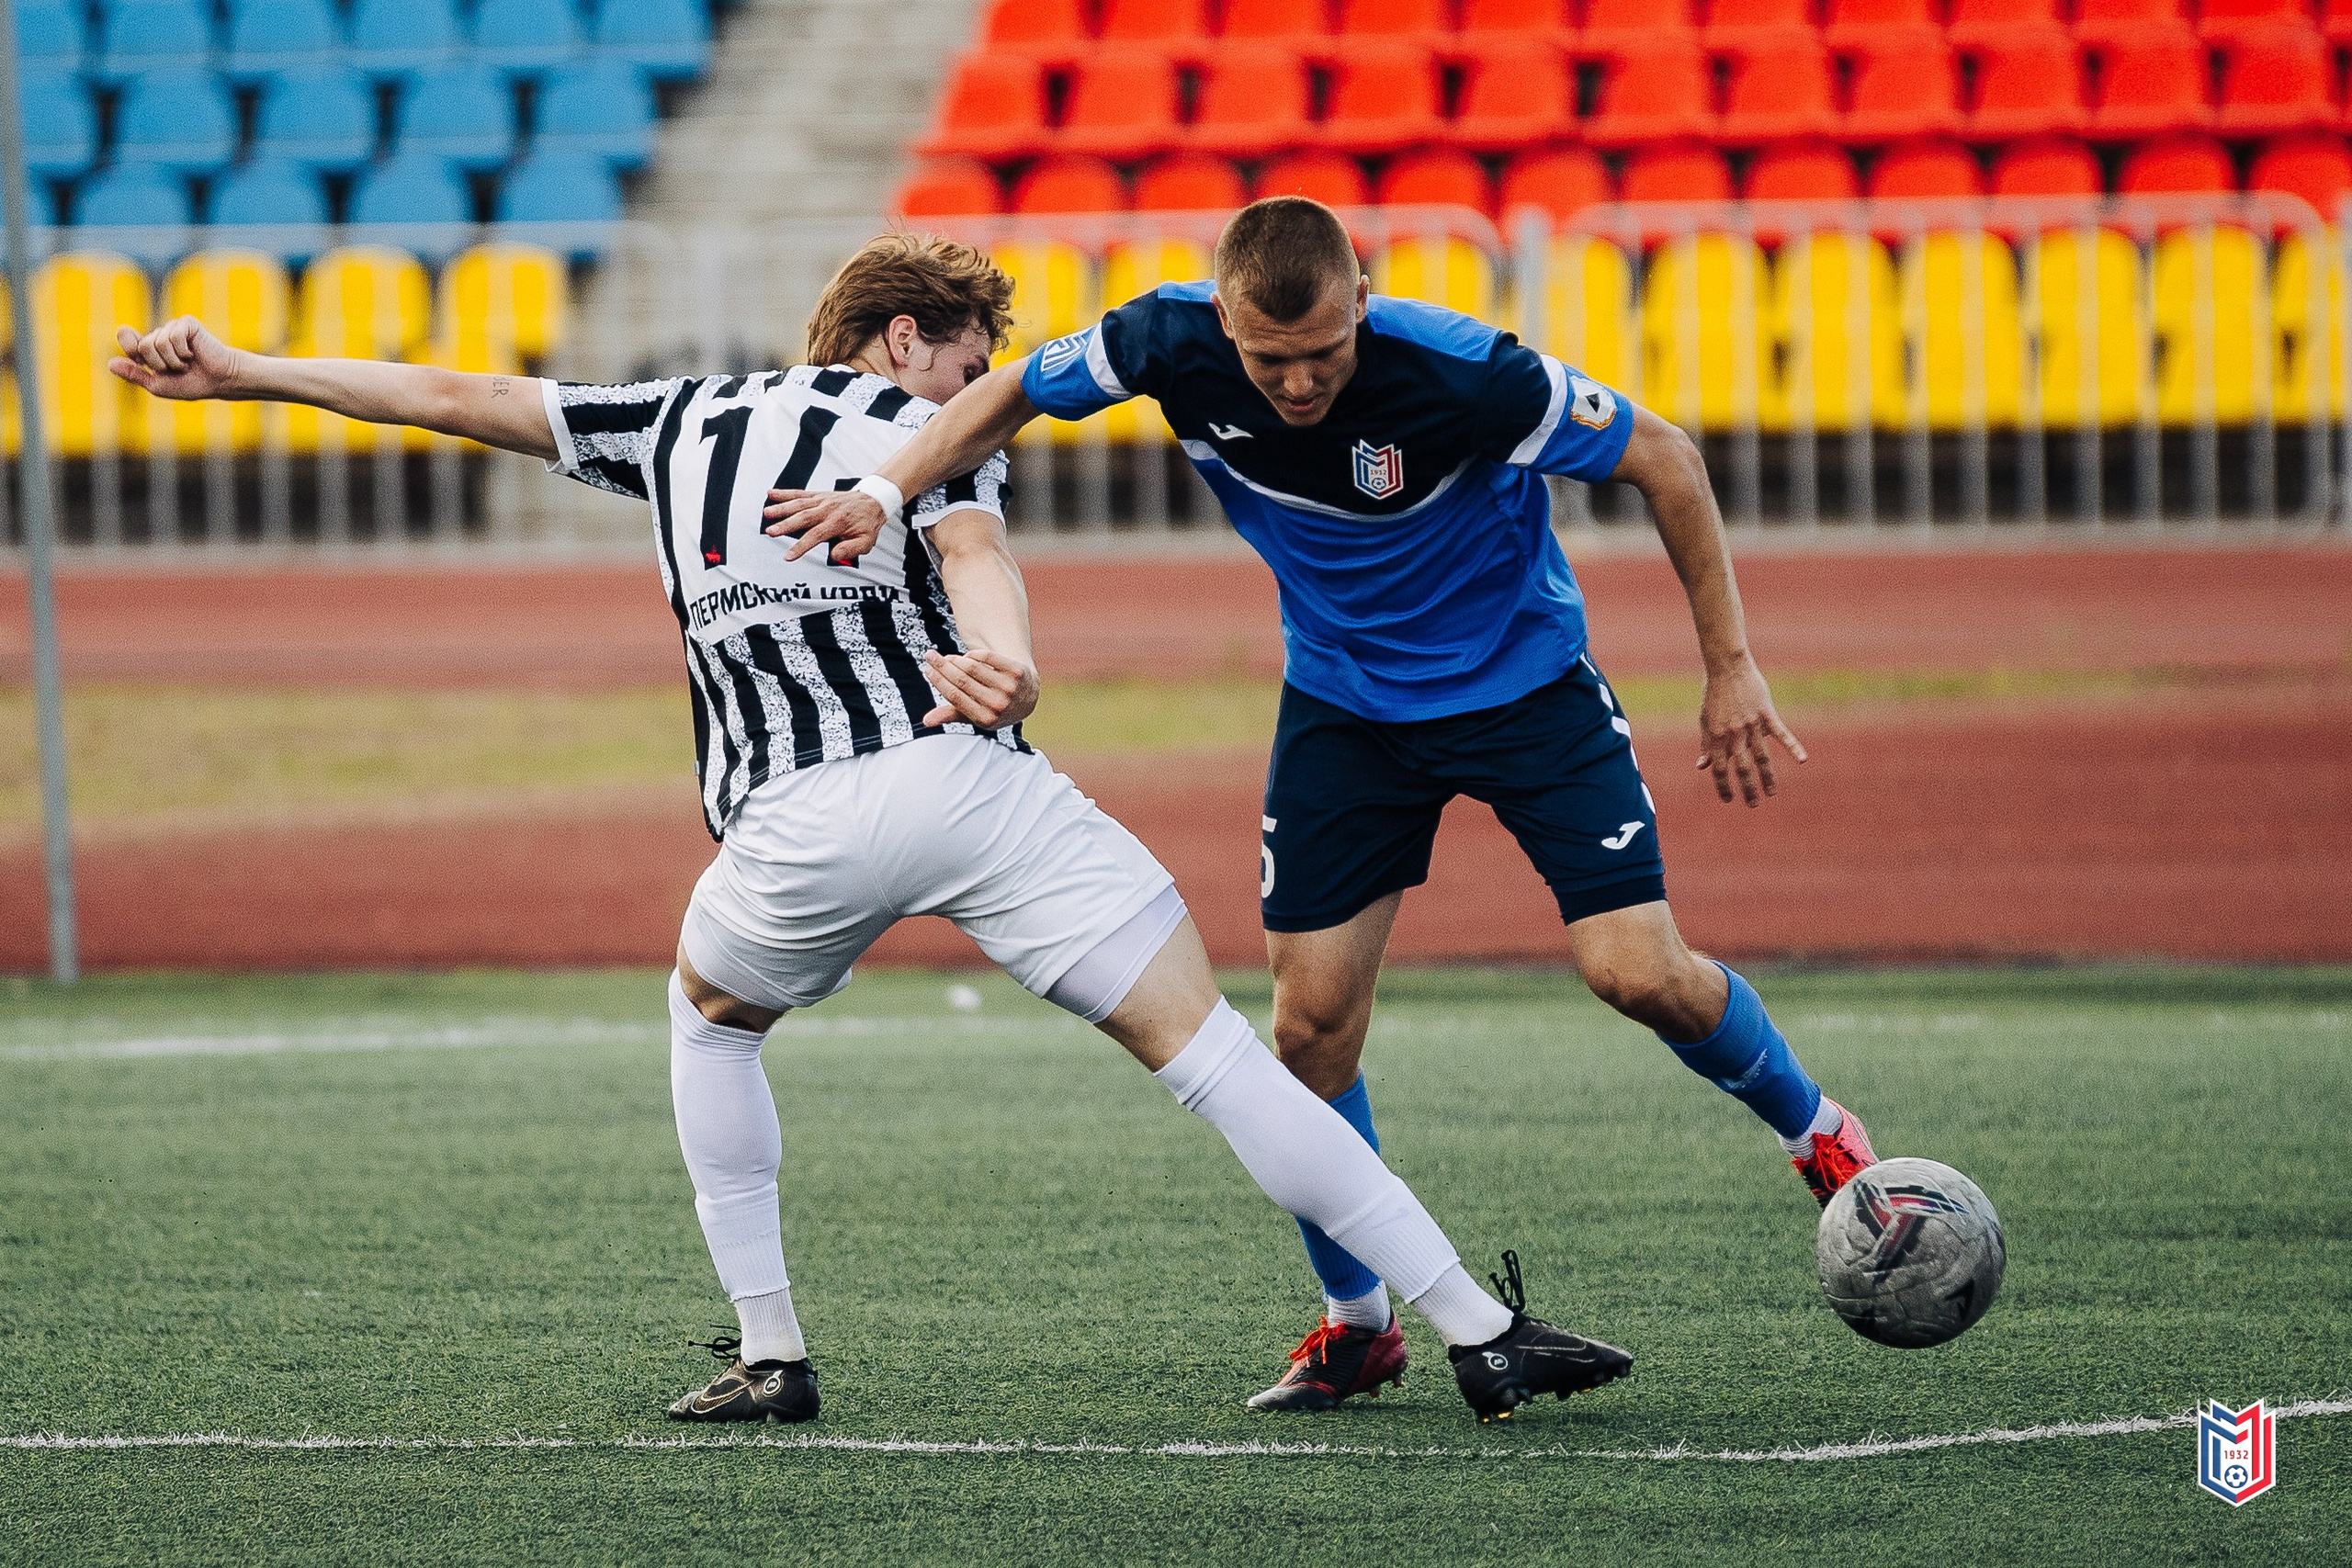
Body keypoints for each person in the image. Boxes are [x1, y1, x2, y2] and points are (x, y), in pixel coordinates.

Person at [107, 231, 1631, 1427]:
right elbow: (971, 554)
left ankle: (771, 1352)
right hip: (970, 786)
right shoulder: (926, 423)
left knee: (710, 1021)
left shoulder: (674, 417)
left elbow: (456, 397)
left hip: (788, 829)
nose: (981, 380)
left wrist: (242, 369)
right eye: (970, 354)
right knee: (1219, 1057)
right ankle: (1477, 1330)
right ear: (904, 340)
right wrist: (1008, 659)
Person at [763, 200, 1880, 1415]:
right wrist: (884, 490)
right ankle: (1360, 1323)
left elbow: (1665, 456)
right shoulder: (1164, 340)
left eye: (1324, 352)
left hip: (1528, 693)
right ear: (1224, 319)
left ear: (1363, 297)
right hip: (1346, 716)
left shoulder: (1465, 371)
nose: (1298, 383)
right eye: (1268, 359)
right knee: (1307, 1031)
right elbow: (1010, 390)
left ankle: (1820, 1132)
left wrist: (1729, 667)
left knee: (1637, 972)